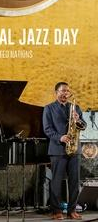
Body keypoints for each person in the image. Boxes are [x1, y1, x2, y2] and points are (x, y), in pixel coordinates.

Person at [43, 82, 87, 220]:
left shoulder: (75, 108)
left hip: (74, 149)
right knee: (56, 182)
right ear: (56, 92)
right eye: (62, 91)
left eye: (67, 91)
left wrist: (77, 119)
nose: (65, 93)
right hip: (57, 149)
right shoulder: (48, 108)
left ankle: (72, 210)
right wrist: (60, 137)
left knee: (75, 182)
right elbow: (47, 129)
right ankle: (56, 211)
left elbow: (83, 126)